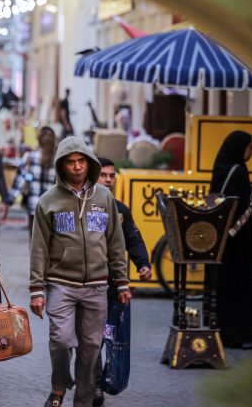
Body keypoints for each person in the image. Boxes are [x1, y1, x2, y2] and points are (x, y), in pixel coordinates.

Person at [29, 136, 130, 407]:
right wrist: (36, 289)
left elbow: (115, 242)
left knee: (91, 349)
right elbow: (38, 247)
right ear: (62, 166)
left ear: (89, 163)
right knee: (60, 340)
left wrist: (121, 281)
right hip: (61, 284)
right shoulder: (48, 201)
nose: (76, 167)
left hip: (97, 286)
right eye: (70, 162)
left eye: (81, 161)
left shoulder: (104, 197)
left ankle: (83, 401)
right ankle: (59, 384)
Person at [94, 157, 152, 406]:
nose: (108, 179)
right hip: (87, 286)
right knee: (91, 339)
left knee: (110, 335)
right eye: (103, 175)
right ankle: (94, 385)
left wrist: (143, 263)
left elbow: (133, 238)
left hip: (115, 289)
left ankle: (105, 381)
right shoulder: (81, 207)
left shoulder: (120, 210)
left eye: (111, 175)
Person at [206, 131, 252, 349]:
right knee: (242, 284)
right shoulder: (239, 170)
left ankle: (225, 332)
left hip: (222, 239)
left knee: (225, 286)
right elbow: (240, 205)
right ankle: (243, 333)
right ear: (240, 149)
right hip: (238, 240)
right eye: (250, 148)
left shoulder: (221, 166)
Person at [7, 126, 57, 240]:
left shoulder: (30, 157)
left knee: (35, 240)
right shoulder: (58, 159)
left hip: (34, 206)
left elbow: (19, 181)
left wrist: (9, 201)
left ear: (39, 139)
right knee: (53, 242)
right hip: (54, 207)